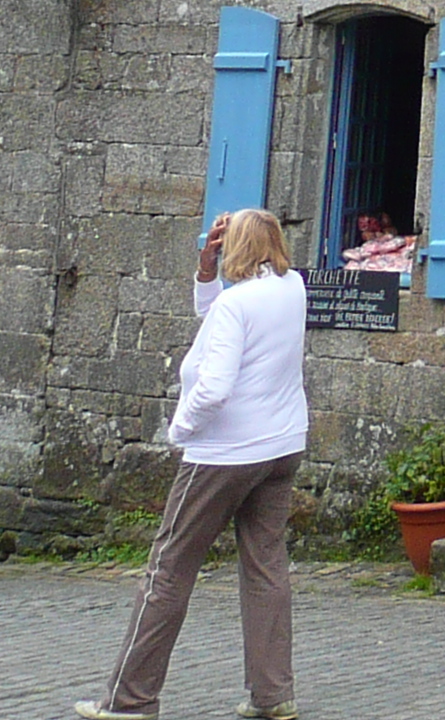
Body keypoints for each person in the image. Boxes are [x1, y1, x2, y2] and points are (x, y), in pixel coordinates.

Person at [76, 208, 309, 720]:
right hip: (281, 445)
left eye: (225, 245)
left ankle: (130, 699)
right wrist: (205, 272)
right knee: (266, 567)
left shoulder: (237, 306)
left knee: (169, 569)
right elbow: (222, 313)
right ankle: (274, 694)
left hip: (223, 453)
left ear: (238, 248)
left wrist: (180, 430)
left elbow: (216, 384)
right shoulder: (291, 288)